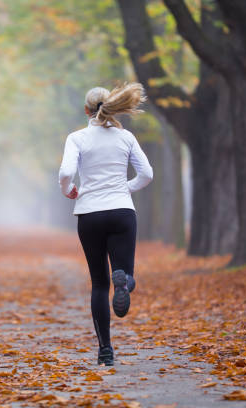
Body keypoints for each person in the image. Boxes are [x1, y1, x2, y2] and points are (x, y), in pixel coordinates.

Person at [58, 83, 153, 366]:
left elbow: (66, 172)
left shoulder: (77, 138)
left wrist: (69, 190)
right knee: (123, 272)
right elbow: (146, 174)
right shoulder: (126, 138)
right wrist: (125, 187)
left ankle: (105, 351)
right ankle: (124, 282)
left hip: (90, 214)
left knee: (99, 283)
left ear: (86, 110)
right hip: (122, 211)